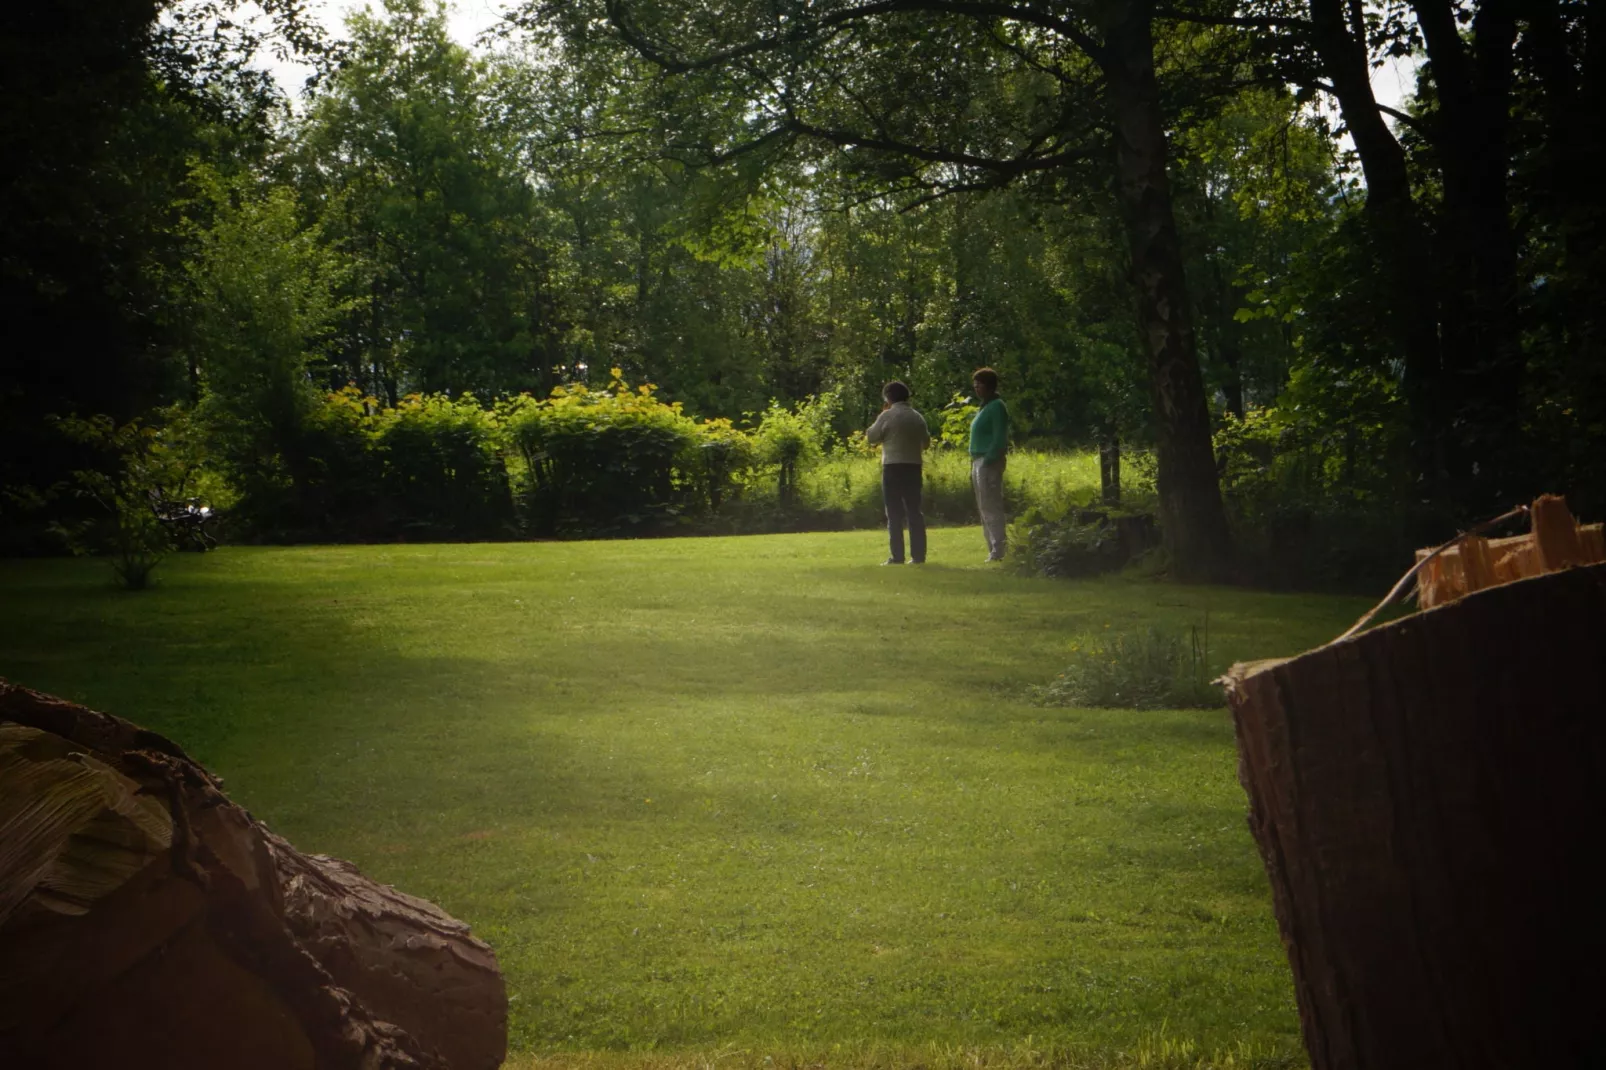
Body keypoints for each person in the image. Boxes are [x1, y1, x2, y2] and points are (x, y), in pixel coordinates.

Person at [864, 380, 931, 565]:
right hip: (913, 466)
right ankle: (918, 556)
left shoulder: (887, 416)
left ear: (888, 398)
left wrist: (882, 413)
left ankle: (897, 556)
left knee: (894, 512)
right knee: (914, 512)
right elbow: (926, 442)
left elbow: (871, 437)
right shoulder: (917, 416)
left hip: (892, 466)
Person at [968, 367, 1010, 562]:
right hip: (978, 460)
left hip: (988, 461)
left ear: (989, 386)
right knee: (983, 506)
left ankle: (999, 548)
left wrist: (989, 459)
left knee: (991, 505)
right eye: (975, 384)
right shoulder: (985, 406)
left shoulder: (997, 406)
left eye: (980, 384)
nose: (976, 388)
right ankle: (992, 548)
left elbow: (999, 436)